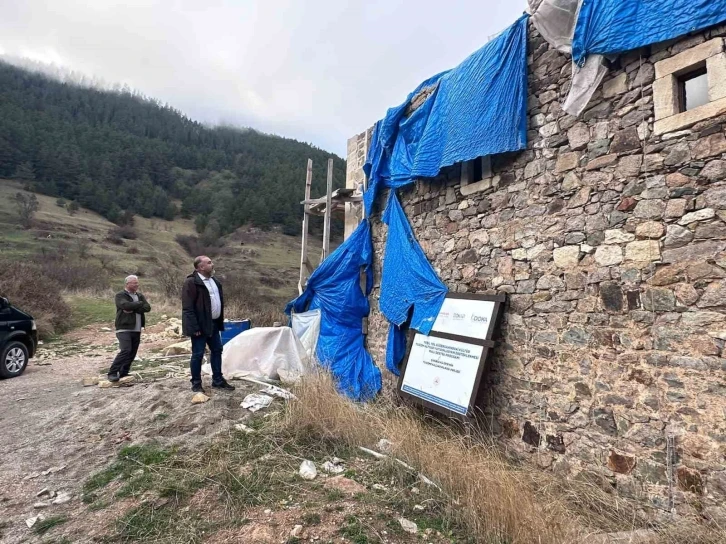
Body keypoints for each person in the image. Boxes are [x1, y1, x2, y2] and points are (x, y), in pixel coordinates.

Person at [181, 255, 235, 393]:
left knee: (217, 350)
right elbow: (188, 307)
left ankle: (217, 380)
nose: (213, 264)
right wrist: (194, 327)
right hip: (200, 325)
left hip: (214, 324)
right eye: (209, 263)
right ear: (201, 267)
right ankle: (196, 383)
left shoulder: (214, 281)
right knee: (198, 354)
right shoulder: (192, 282)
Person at [108, 275, 151, 382]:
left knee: (132, 352)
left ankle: (124, 372)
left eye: (137, 283)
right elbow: (125, 305)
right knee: (125, 350)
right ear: (127, 284)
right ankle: (112, 372)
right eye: (134, 283)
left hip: (137, 329)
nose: (137, 285)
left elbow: (147, 307)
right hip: (124, 328)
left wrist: (134, 307)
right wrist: (139, 305)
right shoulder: (120, 295)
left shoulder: (139, 295)